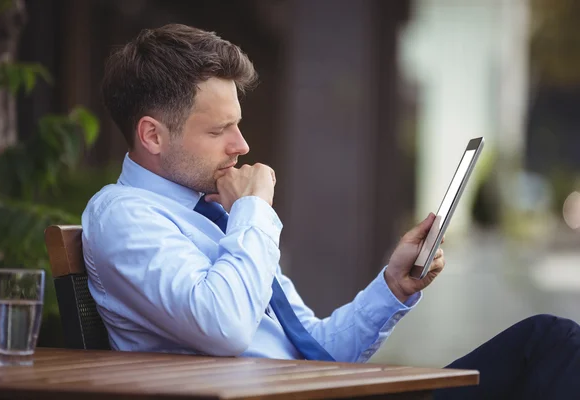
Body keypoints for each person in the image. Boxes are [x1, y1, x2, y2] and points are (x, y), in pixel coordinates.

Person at [82, 24, 580, 399]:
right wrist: (253, 211)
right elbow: (225, 325)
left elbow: (319, 347)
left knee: (546, 340)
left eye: (238, 124)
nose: (242, 144)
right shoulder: (124, 215)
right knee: (551, 343)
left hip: (324, 389)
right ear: (152, 135)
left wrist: (392, 286)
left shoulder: (217, 214)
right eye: (219, 131)